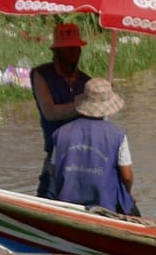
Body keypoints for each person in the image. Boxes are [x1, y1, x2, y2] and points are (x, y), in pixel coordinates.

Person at [46, 78, 135, 213]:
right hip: (104, 206)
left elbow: (53, 171)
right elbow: (127, 177)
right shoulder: (118, 135)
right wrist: (126, 196)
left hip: (66, 204)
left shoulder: (61, 133)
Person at [31, 21, 92, 196]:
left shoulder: (86, 81)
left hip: (84, 153)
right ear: (57, 52)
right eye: (69, 49)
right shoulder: (41, 74)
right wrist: (81, 106)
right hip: (56, 150)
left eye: (77, 48)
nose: (75, 52)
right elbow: (49, 112)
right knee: (47, 196)